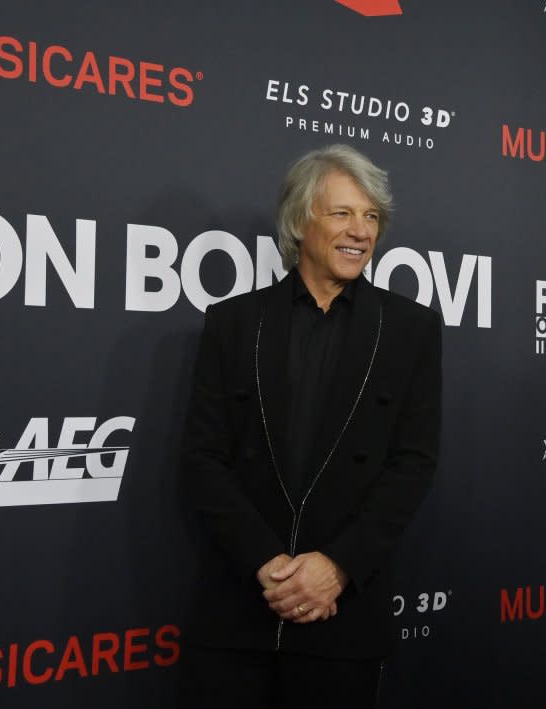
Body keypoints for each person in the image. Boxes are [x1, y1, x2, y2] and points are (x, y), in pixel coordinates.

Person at [179, 144, 441, 708]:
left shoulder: (411, 331)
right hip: (238, 613)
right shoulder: (233, 323)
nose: (361, 231)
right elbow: (203, 457)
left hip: (343, 619)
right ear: (300, 220)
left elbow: (413, 464)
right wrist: (266, 565)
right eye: (343, 213)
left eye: (371, 217)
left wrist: (338, 568)